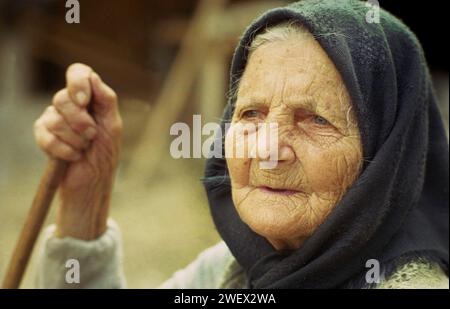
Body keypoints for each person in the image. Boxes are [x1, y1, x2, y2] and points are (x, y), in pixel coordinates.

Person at [33, 0, 448, 288]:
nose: (266, 149)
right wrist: (85, 202)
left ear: (388, 157)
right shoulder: (240, 265)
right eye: (250, 114)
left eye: (315, 120)